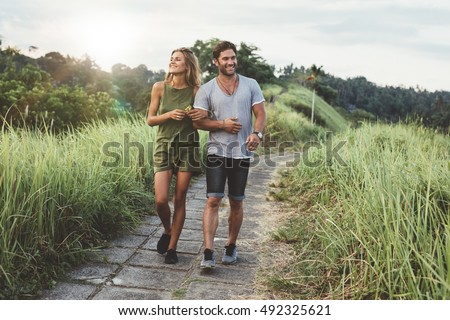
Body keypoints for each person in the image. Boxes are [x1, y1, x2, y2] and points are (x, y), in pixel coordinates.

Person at [192, 40, 266, 269]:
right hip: (217, 151)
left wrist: (257, 134)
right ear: (216, 62)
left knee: (236, 201)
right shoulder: (206, 90)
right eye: (225, 58)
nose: (230, 62)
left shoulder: (251, 84)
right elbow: (199, 122)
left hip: (242, 153)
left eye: (233, 57)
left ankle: (231, 245)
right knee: (213, 199)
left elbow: (260, 114)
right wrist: (222, 124)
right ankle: (207, 251)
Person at [147, 47, 207, 264]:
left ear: (187, 65)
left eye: (177, 59)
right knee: (161, 200)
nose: (172, 62)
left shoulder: (196, 91)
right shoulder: (159, 87)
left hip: (188, 147)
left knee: (179, 198)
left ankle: (172, 249)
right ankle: (167, 229)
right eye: (171, 59)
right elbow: (150, 119)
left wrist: (199, 114)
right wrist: (169, 114)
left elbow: (203, 119)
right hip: (164, 146)